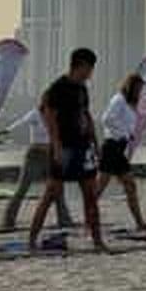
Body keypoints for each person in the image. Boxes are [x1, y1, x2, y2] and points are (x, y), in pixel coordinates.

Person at [28, 47, 106, 252]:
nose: (91, 73)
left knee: (90, 194)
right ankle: (31, 240)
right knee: (50, 194)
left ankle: (98, 241)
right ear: (80, 65)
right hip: (64, 147)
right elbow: (49, 116)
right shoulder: (58, 87)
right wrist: (57, 145)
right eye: (90, 68)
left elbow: (86, 116)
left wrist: (95, 144)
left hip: (82, 146)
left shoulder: (82, 89)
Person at [2, 106, 75, 230]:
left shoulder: (56, 115)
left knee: (57, 189)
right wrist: (8, 130)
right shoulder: (35, 114)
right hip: (35, 155)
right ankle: (9, 220)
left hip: (50, 155)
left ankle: (64, 219)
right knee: (23, 188)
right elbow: (22, 122)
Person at [96, 73, 146, 231]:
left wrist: (129, 135)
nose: (140, 91)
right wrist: (125, 133)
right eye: (138, 87)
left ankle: (139, 222)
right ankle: (88, 220)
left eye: (141, 88)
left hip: (119, 149)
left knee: (130, 185)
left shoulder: (131, 103)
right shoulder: (118, 100)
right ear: (131, 86)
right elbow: (106, 119)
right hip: (111, 146)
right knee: (99, 187)